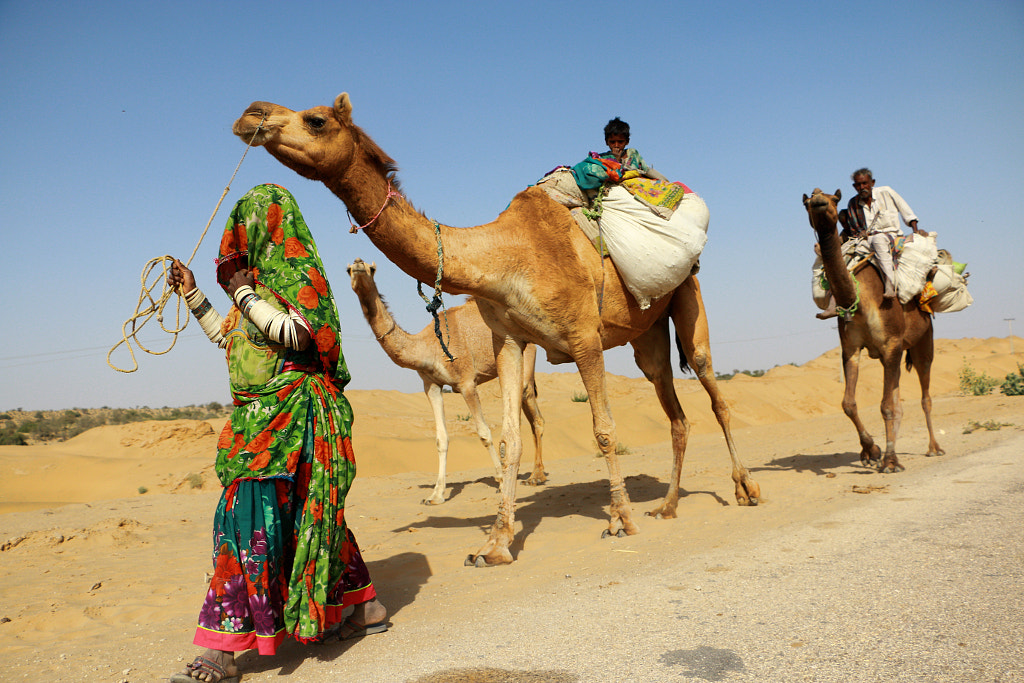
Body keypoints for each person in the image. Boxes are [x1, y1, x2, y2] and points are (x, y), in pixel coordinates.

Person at [166, 184, 386, 683]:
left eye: (248, 226)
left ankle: (222, 649)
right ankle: (365, 605)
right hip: (259, 422)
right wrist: (195, 291)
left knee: (245, 520)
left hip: (292, 419)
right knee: (308, 513)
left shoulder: (295, 277)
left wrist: (241, 292)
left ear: (272, 226)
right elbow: (229, 337)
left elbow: (300, 336)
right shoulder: (260, 289)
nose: (239, 239)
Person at [845, 168, 926, 299]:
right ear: (854, 186)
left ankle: (890, 283)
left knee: (879, 240)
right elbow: (855, 229)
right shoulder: (853, 204)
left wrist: (915, 231)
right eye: (858, 185)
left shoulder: (886, 192)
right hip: (865, 241)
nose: (862, 187)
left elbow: (906, 211)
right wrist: (861, 233)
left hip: (891, 237)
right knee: (844, 256)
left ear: (872, 182)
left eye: (865, 183)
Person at [570, 117, 669, 191]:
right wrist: (615, 159)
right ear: (606, 142)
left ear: (627, 141)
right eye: (612, 142)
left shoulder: (633, 153)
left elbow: (645, 169)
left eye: (620, 142)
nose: (616, 145)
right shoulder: (602, 158)